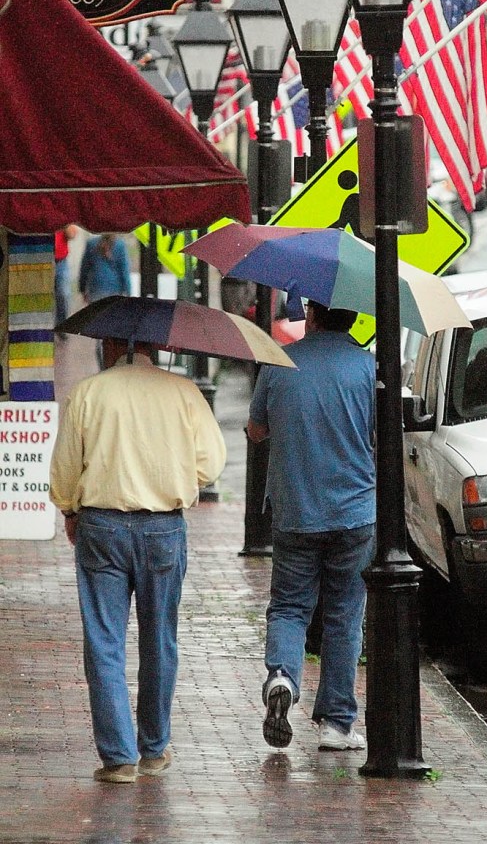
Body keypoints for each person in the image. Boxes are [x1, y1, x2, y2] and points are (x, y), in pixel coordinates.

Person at [49, 336, 227, 784]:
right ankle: (153, 748)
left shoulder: (89, 392)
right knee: (160, 639)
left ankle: (118, 757)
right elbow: (211, 463)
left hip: (101, 526)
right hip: (164, 528)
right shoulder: (183, 391)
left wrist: (70, 508)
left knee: (104, 641)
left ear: (111, 345)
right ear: (154, 346)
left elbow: (66, 467)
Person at [247, 300, 376, 752]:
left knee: (289, 607)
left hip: (295, 507)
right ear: (354, 319)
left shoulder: (279, 362)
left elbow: (255, 430)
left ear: (314, 317)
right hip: (354, 512)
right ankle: (337, 724)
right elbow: (382, 436)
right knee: (344, 615)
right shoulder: (367, 366)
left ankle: (282, 675)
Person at [78, 234, 132, 368]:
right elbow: (124, 271)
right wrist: (129, 293)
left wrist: (82, 289)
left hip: (96, 292)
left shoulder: (91, 244)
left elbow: (84, 269)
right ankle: (112, 364)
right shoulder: (120, 245)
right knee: (113, 332)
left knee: (100, 335)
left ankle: (103, 366)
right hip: (114, 292)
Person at [54, 225, 78, 336]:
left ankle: (61, 325)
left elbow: (72, 234)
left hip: (60, 261)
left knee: (63, 294)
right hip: (42, 257)